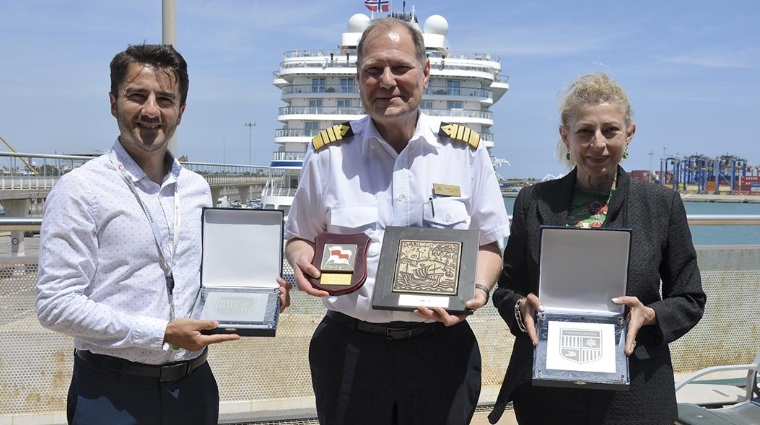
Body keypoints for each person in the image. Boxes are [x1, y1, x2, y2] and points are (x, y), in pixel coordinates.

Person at [36, 43, 291, 425]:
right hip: (111, 392)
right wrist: (162, 333)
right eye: (137, 96)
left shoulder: (197, 189)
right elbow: (55, 304)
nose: (151, 110)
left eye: (165, 99)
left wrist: (269, 293)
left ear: (181, 112)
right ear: (112, 103)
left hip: (193, 388)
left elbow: (213, 275)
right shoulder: (79, 189)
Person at [284, 16, 510, 425]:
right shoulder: (327, 155)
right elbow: (299, 235)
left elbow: (489, 244)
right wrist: (300, 259)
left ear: (425, 72)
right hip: (349, 347)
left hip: (440, 348)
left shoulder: (465, 153)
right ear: (358, 78)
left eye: (400, 67)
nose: (386, 80)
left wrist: (477, 289)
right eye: (373, 70)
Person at [488, 72, 706, 425]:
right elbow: (507, 289)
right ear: (566, 136)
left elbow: (690, 297)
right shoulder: (533, 202)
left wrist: (650, 315)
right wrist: (519, 309)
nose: (598, 144)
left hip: (637, 389)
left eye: (611, 130)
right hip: (548, 392)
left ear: (629, 133)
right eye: (585, 131)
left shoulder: (661, 205)